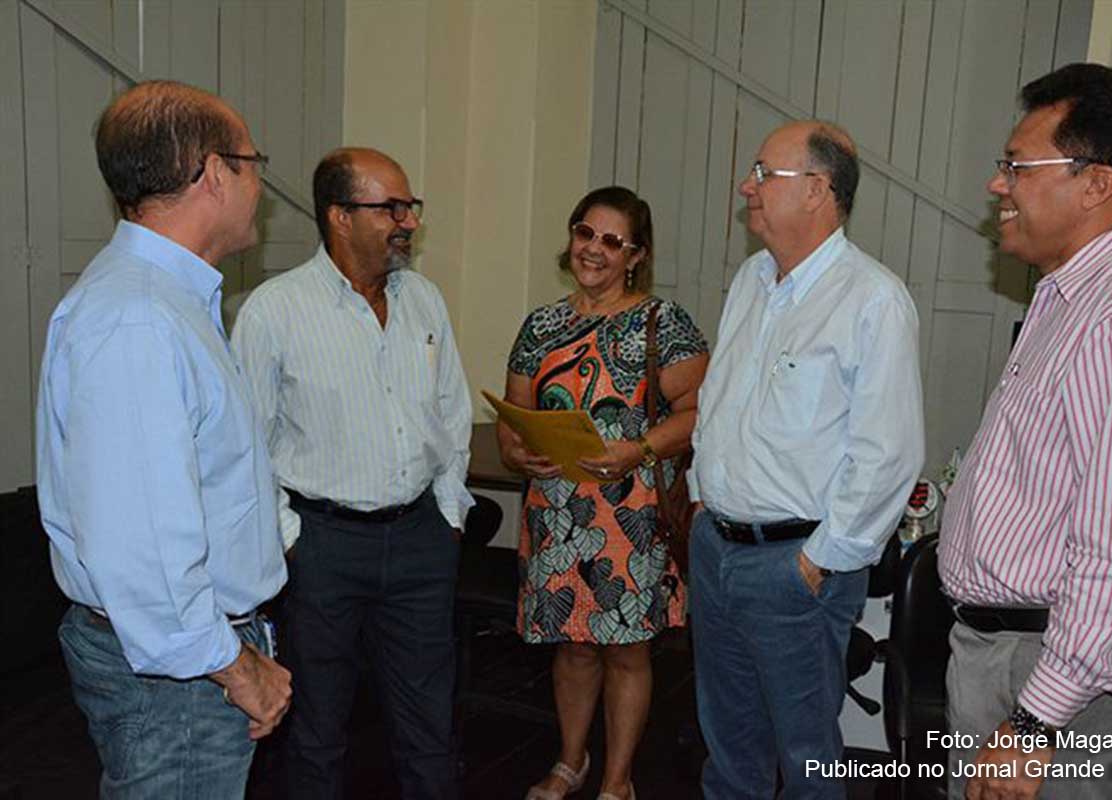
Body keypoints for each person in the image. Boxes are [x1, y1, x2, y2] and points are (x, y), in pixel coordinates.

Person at [938, 63, 1112, 800]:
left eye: (1017, 166)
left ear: (1095, 183)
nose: (999, 186)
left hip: (1058, 678)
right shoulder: (1073, 293)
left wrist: (1034, 724)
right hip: (1012, 654)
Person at [35, 80, 291, 799]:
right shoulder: (139, 321)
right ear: (215, 172)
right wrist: (237, 668)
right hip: (179, 672)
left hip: (189, 654)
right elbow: (143, 550)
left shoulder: (168, 301)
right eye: (252, 161)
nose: (260, 183)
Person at [688, 121, 924, 799]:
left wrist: (817, 561)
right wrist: (706, 498)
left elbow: (889, 455)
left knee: (807, 758)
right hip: (718, 550)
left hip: (794, 568)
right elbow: (720, 401)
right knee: (728, 746)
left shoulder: (872, 300)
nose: (746, 186)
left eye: (764, 173)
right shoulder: (751, 279)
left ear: (817, 190)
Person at [231, 147, 472, 800]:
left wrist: (448, 513)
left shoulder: (424, 300)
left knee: (431, 725)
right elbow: (244, 443)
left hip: (420, 539)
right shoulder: (273, 311)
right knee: (316, 728)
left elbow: (452, 414)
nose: (408, 221)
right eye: (390, 207)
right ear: (339, 216)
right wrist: (289, 537)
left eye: (409, 206)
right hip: (321, 547)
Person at [499, 186, 709, 800]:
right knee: (573, 648)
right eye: (585, 233)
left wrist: (638, 449)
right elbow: (515, 415)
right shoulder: (541, 325)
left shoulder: (662, 324)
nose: (593, 249)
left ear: (636, 256)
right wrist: (517, 451)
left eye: (612, 241)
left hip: (631, 511)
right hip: (557, 511)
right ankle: (571, 762)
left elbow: (698, 411)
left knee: (625, 652)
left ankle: (618, 780)